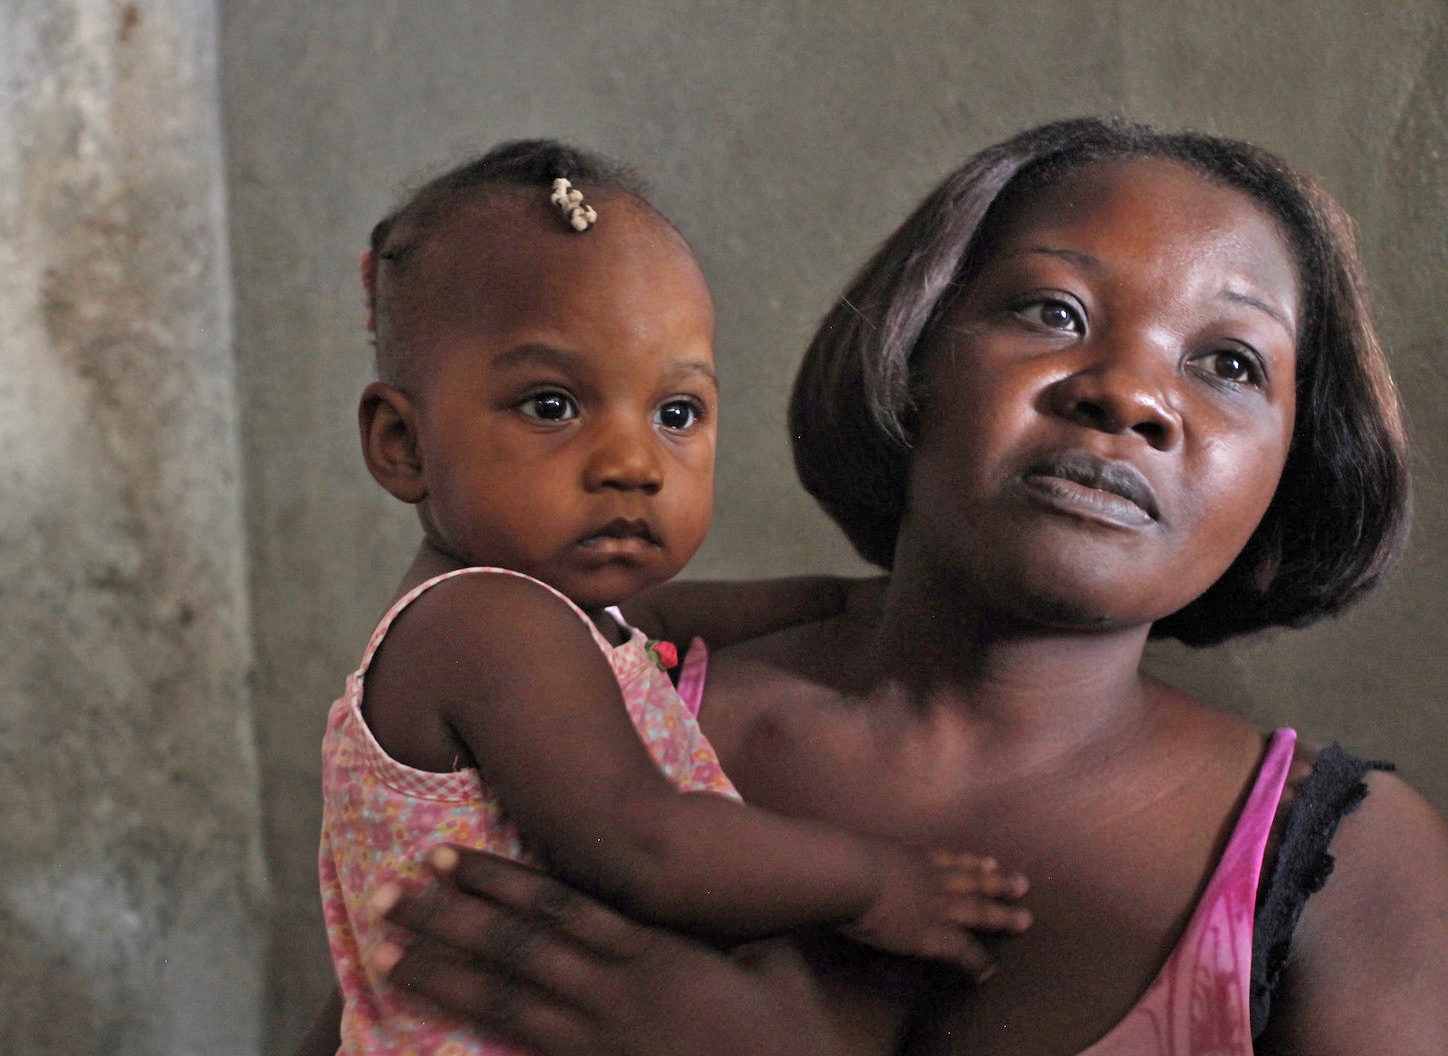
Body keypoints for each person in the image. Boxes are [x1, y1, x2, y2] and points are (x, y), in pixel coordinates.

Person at [353, 118, 1448, 1054]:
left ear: (1292, 469)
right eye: (1052, 312)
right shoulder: (591, 717)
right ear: (912, 357)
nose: (1127, 395)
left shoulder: (1353, 870)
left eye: (1228, 363)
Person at [322, 140, 1032, 1056]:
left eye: (676, 413)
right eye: (550, 405)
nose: (634, 464)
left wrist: (841, 601)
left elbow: (658, 625)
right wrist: (873, 885)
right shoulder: (481, 624)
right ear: (402, 444)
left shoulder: (541, 617)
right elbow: (645, 842)